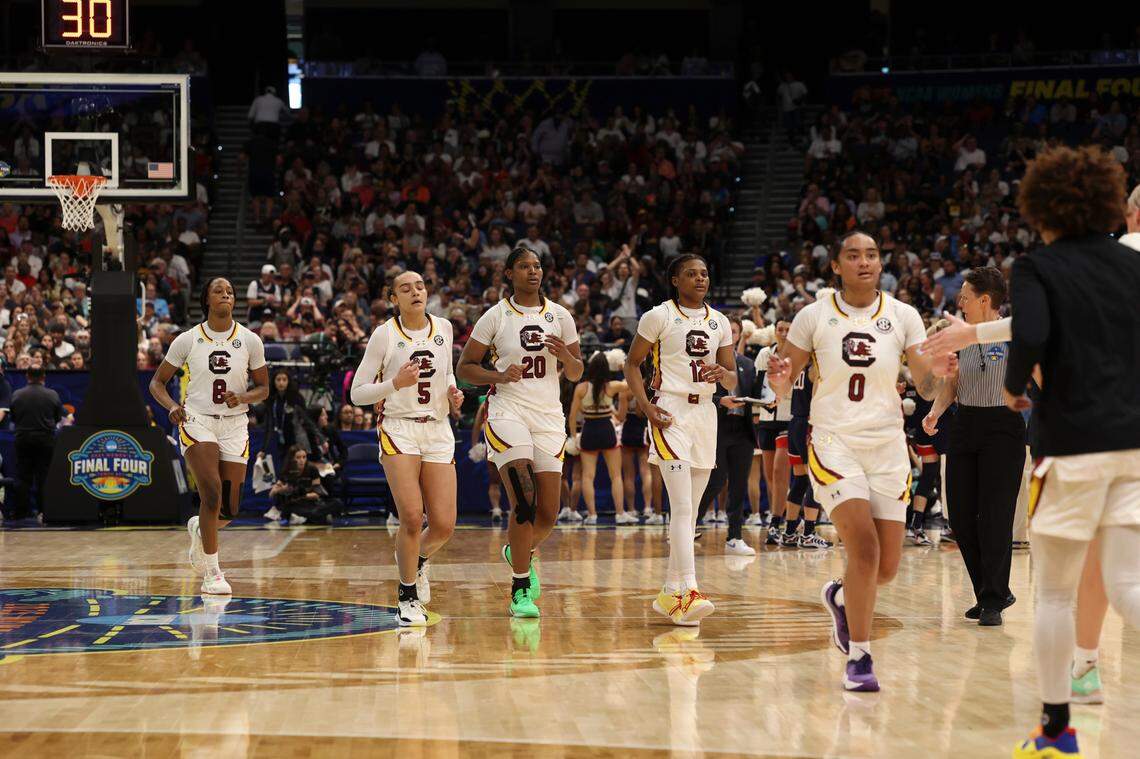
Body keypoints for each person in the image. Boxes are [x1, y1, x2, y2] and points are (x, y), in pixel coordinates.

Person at [998, 146, 1140, 758]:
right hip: (1135, 441)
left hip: (1073, 444)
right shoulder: (1134, 263)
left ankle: (1056, 731)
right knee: (1129, 582)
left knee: (1053, 593)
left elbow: (1029, 333)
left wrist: (1012, 386)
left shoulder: (1038, 267)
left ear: (1042, 205)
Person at [767, 231, 946, 692]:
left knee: (885, 568)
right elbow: (783, 384)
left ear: (880, 262)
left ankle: (841, 596)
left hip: (887, 445)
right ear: (836, 266)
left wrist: (941, 374)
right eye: (854, 255)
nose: (864, 262)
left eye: (871, 255)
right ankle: (861, 659)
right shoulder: (814, 315)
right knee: (863, 550)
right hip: (833, 441)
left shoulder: (904, 316)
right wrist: (781, 378)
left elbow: (925, 387)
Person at [456, 244, 583, 618]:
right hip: (508, 411)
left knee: (548, 513)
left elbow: (576, 373)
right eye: (525, 266)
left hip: (547, 415)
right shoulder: (495, 317)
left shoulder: (561, 315)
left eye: (538, 266)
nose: (533, 271)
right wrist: (497, 375)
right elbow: (465, 368)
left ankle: (517, 549)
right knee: (524, 501)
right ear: (509, 274)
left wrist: (566, 358)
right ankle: (520, 588)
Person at [624, 253, 736, 626]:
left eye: (704, 273)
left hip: (706, 412)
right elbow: (631, 363)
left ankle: (669, 591)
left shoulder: (720, 321)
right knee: (683, 506)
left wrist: (724, 374)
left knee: (693, 507)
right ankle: (688, 589)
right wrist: (645, 407)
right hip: (670, 410)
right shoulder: (658, 316)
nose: (700, 278)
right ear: (675, 280)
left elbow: (733, 379)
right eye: (691, 273)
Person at [350, 270, 463, 627]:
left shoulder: (444, 328)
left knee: (444, 525)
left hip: (438, 429)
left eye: (420, 286)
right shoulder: (384, 335)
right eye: (405, 288)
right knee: (412, 516)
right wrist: (393, 383)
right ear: (393, 298)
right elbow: (357, 392)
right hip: (399, 429)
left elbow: (446, 375)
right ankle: (407, 594)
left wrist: (454, 394)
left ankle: (418, 561)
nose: (415, 292)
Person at [149, 278, 269, 595]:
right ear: (206, 300)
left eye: (230, 291)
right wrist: (173, 406)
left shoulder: (250, 340)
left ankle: (200, 528)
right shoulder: (188, 340)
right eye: (219, 290)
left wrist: (242, 398)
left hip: (234, 424)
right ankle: (213, 573)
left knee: (230, 509)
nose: (226, 294)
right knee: (212, 492)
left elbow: (264, 389)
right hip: (197, 419)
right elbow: (157, 384)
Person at [923, 267, 1025, 626]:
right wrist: (935, 412)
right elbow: (951, 382)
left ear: (985, 300)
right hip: (965, 423)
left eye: (965, 296)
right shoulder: (955, 335)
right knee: (962, 517)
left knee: (995, 517)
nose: (960, 302)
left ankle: (993, 600)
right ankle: (987, 589)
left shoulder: (1014, 333)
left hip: (1004, 427)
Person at [695, 317, 758, 555]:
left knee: (739, 484)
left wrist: (770, 399)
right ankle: (689, 525)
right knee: (716, 481)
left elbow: (755, 393)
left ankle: (735, 537)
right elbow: (699, 395)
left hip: (742, 428)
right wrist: (719, 401)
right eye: (727, 331)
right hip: (717, 427)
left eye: (734, 331)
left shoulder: (747, 364)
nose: (731, 335)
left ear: (740, 335)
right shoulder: (707, 363)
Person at [567, 352, 629, 525]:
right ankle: (620, 514)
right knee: (616, 476)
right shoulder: (612, 386)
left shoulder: (581, 388)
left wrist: (574, 438)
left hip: (589, 431)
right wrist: (623, 368)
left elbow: (572, 417)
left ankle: (592, 515)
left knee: (587, 476)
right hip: (607, 430)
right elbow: (632, 383)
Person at [755, 321, 793, 545]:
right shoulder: (764, 353)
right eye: (780, 329)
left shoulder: (799, 354)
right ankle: (783, 515)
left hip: (789, 418)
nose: (784, 334)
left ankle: (779, 521)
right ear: (775, 331)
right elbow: (759, 381)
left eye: (788, 329)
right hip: (768, 417)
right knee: (770, 476)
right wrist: (762, 406)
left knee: (781, 473)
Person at [8, 365, 62, 520]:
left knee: (22, 476)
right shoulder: (52, 395)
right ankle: (44, 511)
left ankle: (21, 512)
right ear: (44, 376)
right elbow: (57, 418)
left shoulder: (17, 394)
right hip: (45, 440)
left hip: (23, 439)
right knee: (43, 476)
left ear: (27, 376)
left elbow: (14, 418)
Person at [620, 365, 661, 524]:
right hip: (644, 428)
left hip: (629, 429)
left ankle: (630, 509)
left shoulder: (626, 390)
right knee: (647, 472)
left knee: (628, 475)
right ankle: (648, 507)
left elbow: (622, 416)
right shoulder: (649, 386)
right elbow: (645, 411)